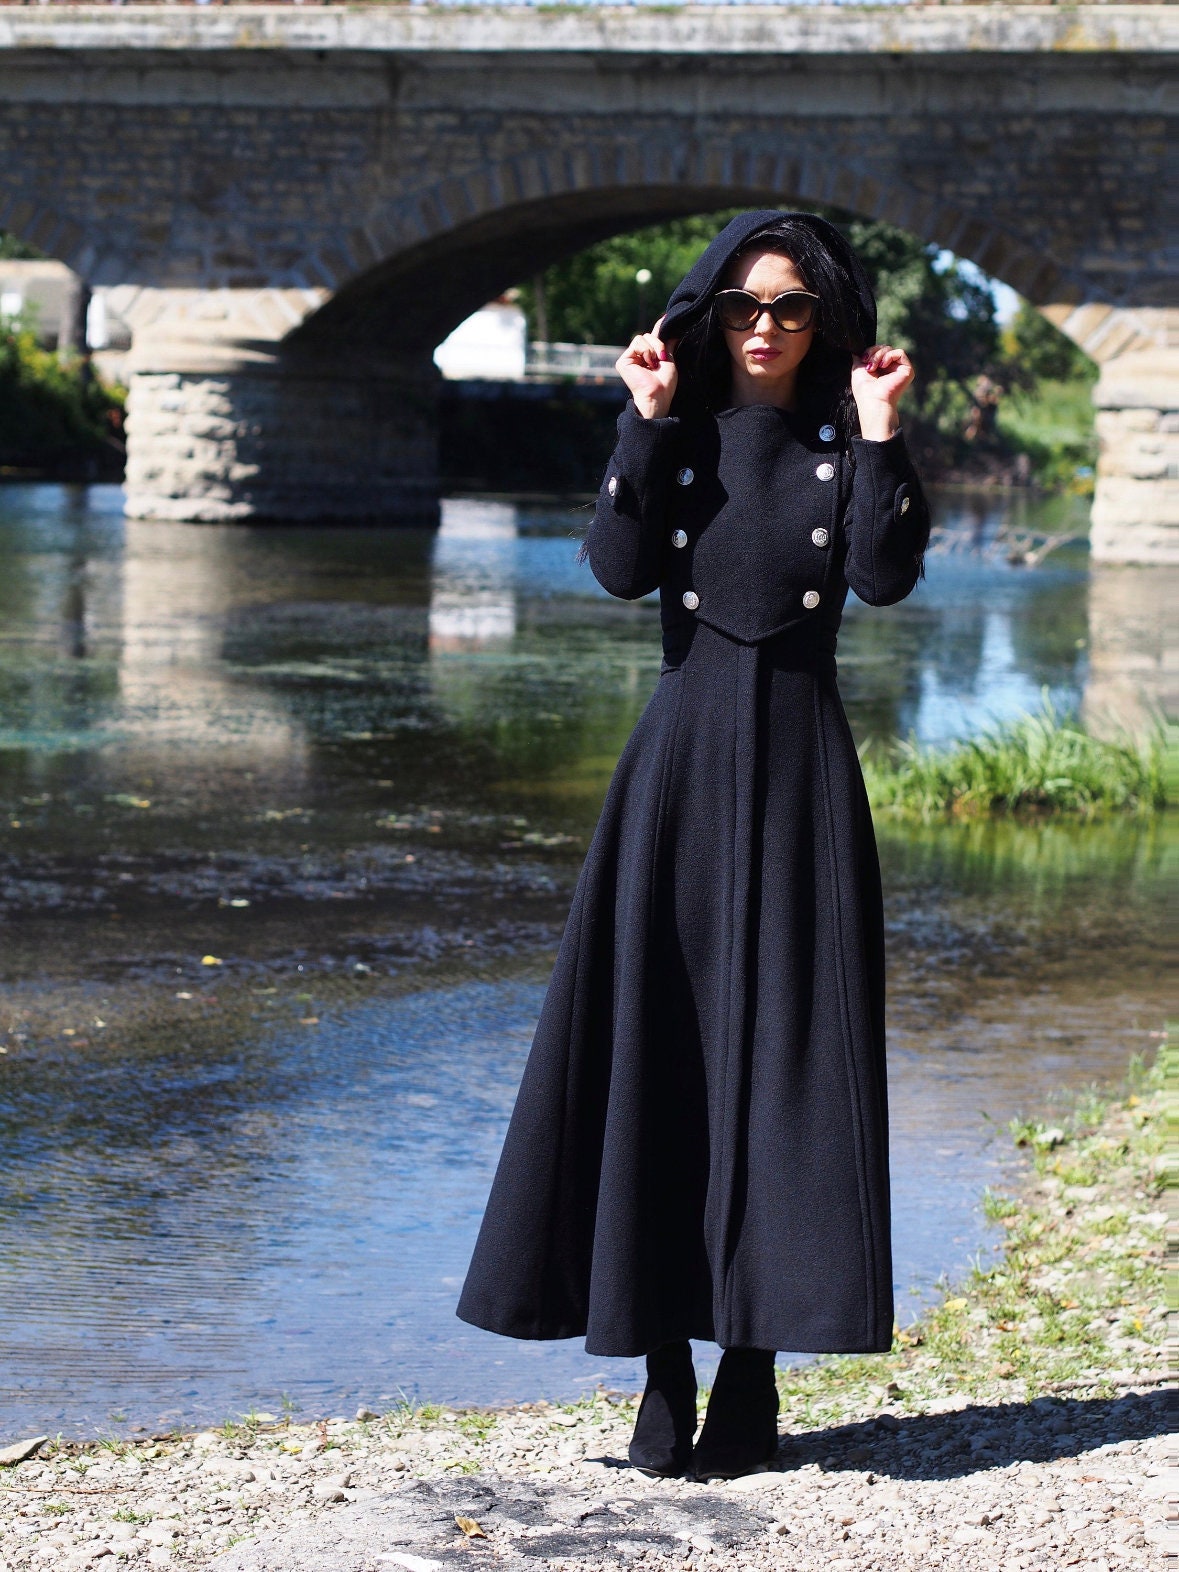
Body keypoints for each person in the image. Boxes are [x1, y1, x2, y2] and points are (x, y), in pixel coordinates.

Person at [457, 210, 931, 1480]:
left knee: (782, 1067)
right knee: (656, 1055)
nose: (765, 326)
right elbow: (616, 570)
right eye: (743, 305)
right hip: (675, 776)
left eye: (791, 306)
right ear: (711, 314)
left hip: (803, 777)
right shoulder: (676, 433)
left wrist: (881, 430)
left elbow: (885, 577)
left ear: (825, 320)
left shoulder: (847, 443)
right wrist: (646, 419)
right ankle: (661, 1363)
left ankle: (753, 1370)